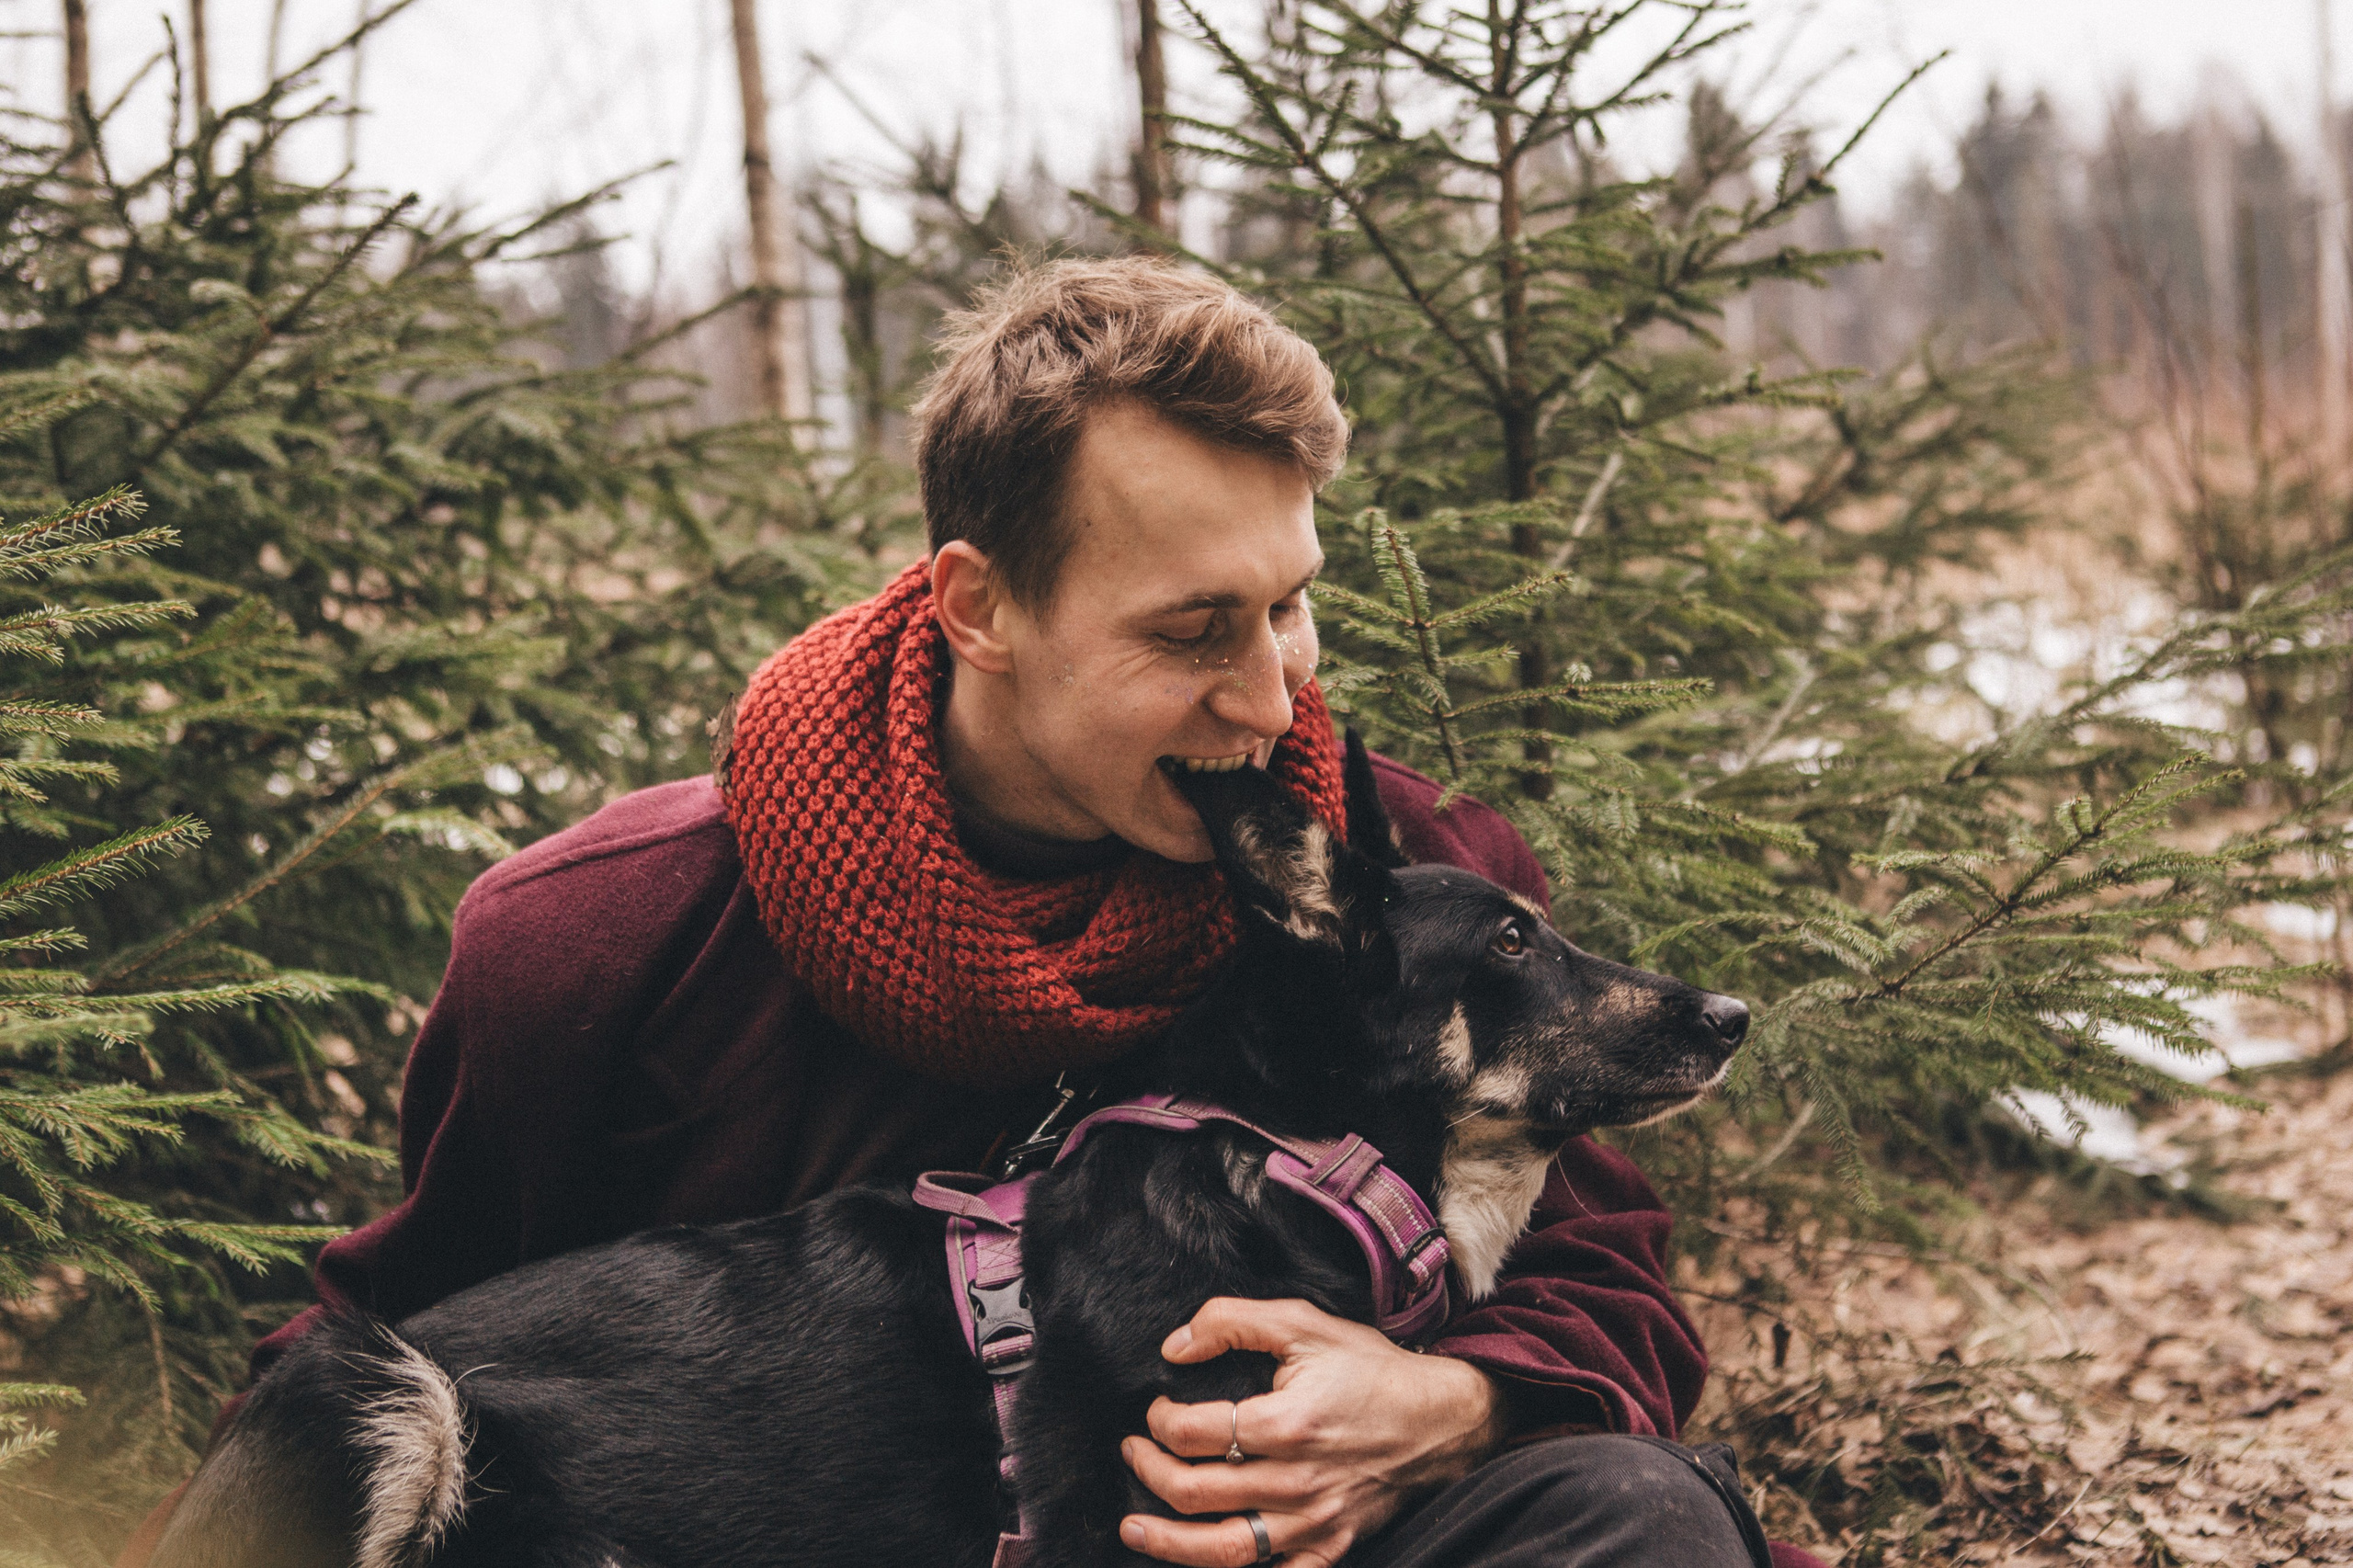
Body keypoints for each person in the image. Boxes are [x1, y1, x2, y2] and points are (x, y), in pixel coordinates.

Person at [121, 260, 1823, 1568]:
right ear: (978, 605)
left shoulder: (1404, 880)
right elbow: (382, 1355)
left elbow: (1615, 1292)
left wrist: (1440, 1407)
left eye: (1294, 607)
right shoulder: (606, 939)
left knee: (1628, 1515)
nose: (1268, 697)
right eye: (1192, 628)